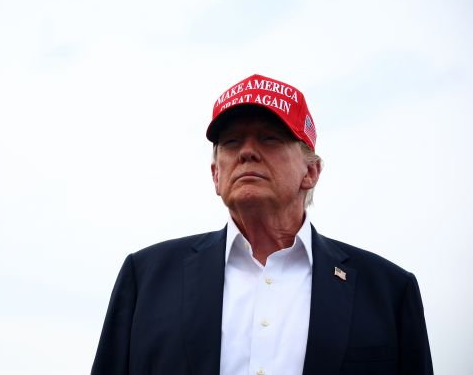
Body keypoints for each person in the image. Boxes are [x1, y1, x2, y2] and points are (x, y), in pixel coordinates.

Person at [91, 74, 433, 375]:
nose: (247, 152)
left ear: (311, 172)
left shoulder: (388, 292)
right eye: (232, 142)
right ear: (216, 174)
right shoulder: (146, 277)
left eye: (269, 138)